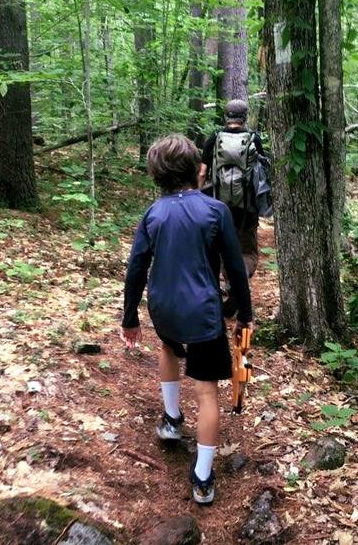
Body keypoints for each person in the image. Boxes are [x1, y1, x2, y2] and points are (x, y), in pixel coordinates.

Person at [121, 134, 253, 505]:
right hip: (203, 314)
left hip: (162, 309)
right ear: (198, 169)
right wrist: (245, 315)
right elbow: (235, 269)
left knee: (167, 346)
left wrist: (130, 316)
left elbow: (136, 268)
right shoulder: (215, 211)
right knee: (207, 391)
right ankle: (202, 476)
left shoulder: (153, 213)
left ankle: (172, 419)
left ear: (157, 176)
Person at [198, 99, 265, 279]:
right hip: (248, 207)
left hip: (219, 205)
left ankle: (227, 285)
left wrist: (197, 197)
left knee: (222, 248)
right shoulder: (253, 138)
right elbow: (263, 174)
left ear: (226, 116)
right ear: (245, 117)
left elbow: (203, 172)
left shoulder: (215, 137)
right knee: (247, 252)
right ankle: (239, 281)